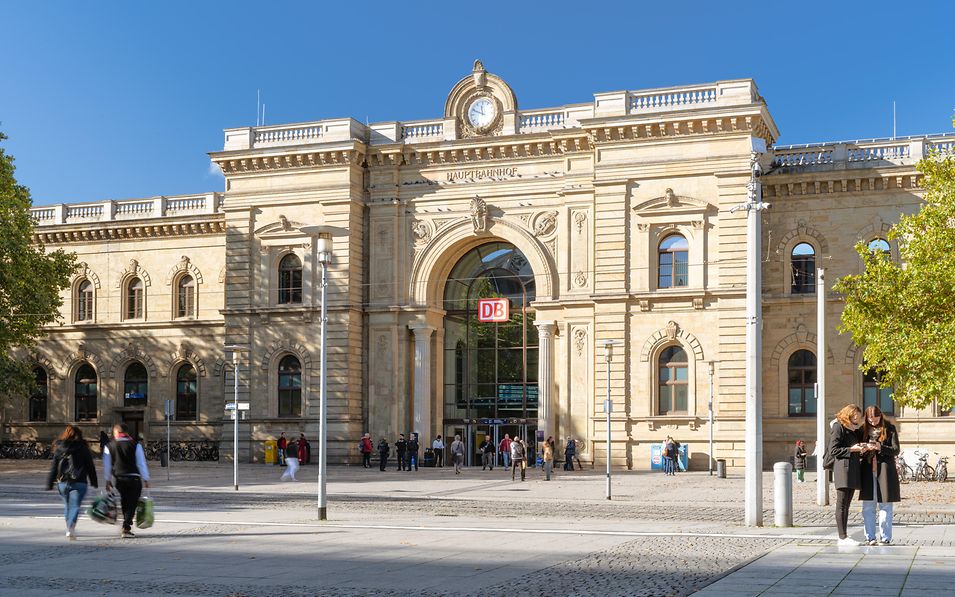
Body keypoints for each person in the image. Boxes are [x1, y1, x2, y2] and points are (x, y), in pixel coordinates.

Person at [859, 405, 901, 546]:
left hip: (885, 471)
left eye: (875, 417)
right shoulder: (862, 430)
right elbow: (857, 449)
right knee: (868, 506)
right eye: (870, 418)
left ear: (880, 415)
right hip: (867, 470)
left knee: (885, 505)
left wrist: (879, 447)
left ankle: (885, 537)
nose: (873, 421)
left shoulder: (889, 428)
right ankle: (870, 537)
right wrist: (863, 449)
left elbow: (896, 450)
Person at [47, 425, 98, 540]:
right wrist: (94, 481)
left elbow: (54, 467)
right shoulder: (83, 447)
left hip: (63, 482)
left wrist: (50, 482)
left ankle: (69, 527)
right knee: (74, 506)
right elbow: (90, 465)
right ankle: (71, 528)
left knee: (67, 505)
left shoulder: (59, 447)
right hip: (79, 481)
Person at [827, 404, 866, 546]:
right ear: (849, 414)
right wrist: (852, 449)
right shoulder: (839, 427)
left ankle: (844, 536)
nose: (858, 419)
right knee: (842, 504)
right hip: (843, 470)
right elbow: (833, 450)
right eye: (856, 416)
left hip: (853, 469)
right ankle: (842, 537)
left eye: (859, 417)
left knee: (847, 504)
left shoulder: (853, 429)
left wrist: (861, 448)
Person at [103, 423, 150, 538]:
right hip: (134, 477)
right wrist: (146, 478)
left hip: (119, 478)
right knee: (132, 502)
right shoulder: (135, 445)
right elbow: (141, 463)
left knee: (125, 501)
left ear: (117, 433)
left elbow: (107, 465)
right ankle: (126, 526)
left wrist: (107, 480)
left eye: (113, 432)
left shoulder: (109, 446)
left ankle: (126, 524)